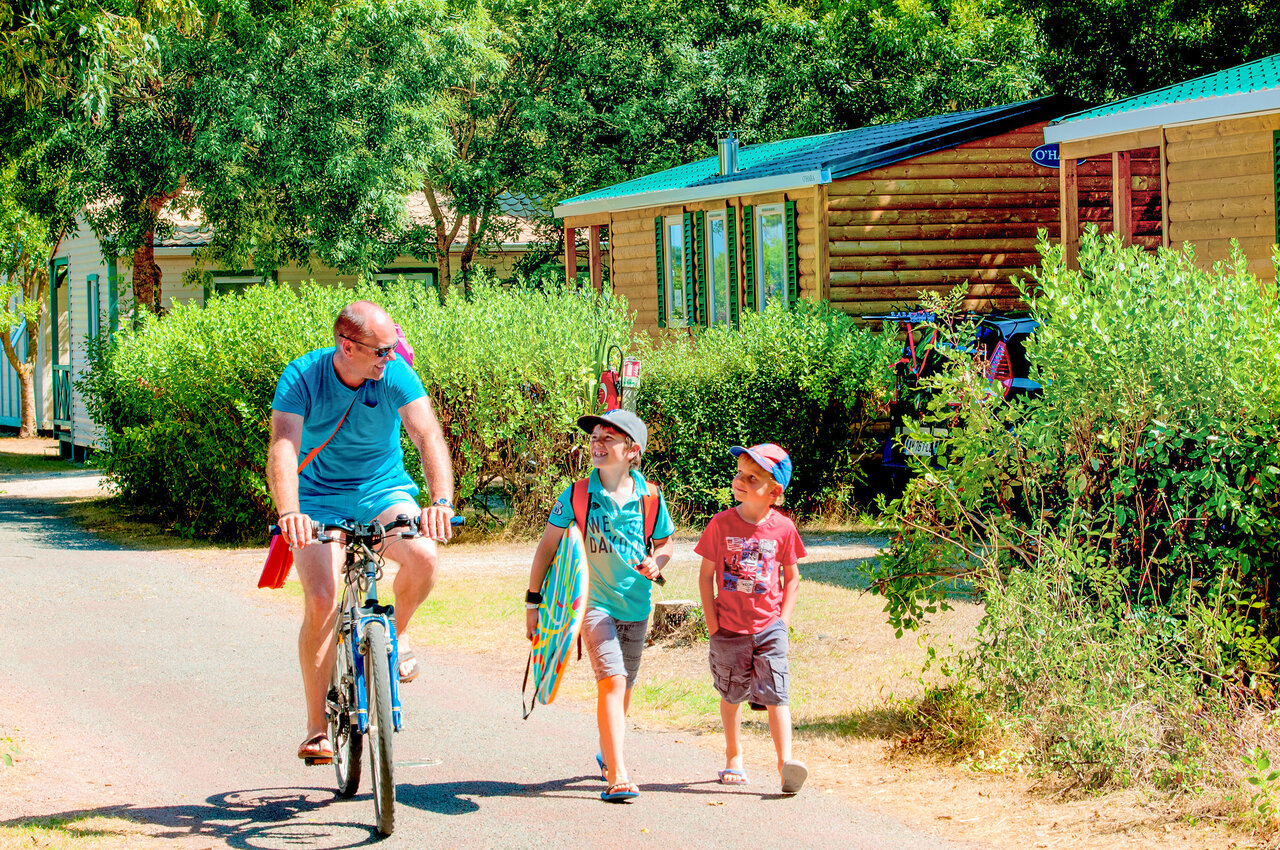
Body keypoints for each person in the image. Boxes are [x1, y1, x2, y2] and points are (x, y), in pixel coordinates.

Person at [267, 300, 456, 764]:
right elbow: (284, 448)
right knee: (321, 598)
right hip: (317, 500)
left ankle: (401, 633)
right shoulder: (303, 377)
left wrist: (441, 502)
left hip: (382, 490)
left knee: (425, 556)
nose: (391, 358)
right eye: (381, 351)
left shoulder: (395, 374)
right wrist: (290, 511)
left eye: (393, 349)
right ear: (347, 346)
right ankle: (317, 728)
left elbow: (427, 435)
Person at [525, 409, 675, 803]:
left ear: (632, 451)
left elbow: (665, 545)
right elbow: (547, 548)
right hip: (591, 605)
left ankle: (608, 750)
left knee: (624, 688)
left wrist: (655, 562)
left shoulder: (651, 496)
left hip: (637, 605)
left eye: (609, 437)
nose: (598, 442)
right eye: (594, 436)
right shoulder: (576, 494)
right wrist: (533, 602)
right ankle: (618, 774)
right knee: (611, 681)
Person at [696, 443, 809, 794]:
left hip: (769, 628)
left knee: (777, 693)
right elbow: (705, 576)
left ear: (774, 492)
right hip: (728, 628)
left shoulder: (784, 529)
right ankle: (733, 756)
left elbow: (793, 579)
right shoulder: (721, 524)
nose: (740, 480)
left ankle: (785, 765)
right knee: (732, 694)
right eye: (740, 474)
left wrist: (782, 622)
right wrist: (713, 626)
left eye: (752, 477)